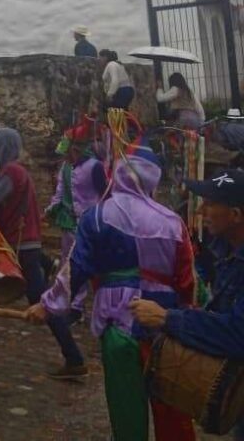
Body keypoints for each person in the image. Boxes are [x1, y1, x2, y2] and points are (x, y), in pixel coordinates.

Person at [28, 143, 197, 441]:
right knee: (171, 409)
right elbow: (187, 282)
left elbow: (76, 268)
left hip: (119, 325)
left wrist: (48, 305)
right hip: (164, 326)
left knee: (126, 411)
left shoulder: (96, 217)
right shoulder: (173, 222)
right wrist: (184, 321)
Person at [0, 129, 86, 377]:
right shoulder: (15, 171)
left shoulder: (11, 172)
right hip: (19, 244)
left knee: (42, 303)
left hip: (20, 246)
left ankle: (74, 359)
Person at [130, 168, 244, 441]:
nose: (202, 210)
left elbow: (238, 333)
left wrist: (167, 318)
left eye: (211, 204)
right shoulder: (228, 254)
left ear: (236, 215)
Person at [45, 118, 106, 323]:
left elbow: (104, 194)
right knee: (66, 263)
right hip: (69, 222)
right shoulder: (66, 168)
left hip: (90, 223)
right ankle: (66, 302)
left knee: (83, 263)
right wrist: (50, 210)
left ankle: (78, 306)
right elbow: (60, 193)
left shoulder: (95, 167)